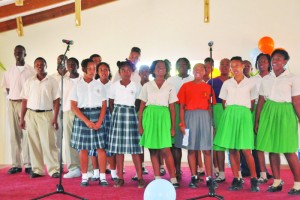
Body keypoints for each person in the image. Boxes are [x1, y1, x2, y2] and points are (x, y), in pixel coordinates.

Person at [255, 49, 300, 195]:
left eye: (279, 58)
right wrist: (257, 121)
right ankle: (276, 181)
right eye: (273, 58)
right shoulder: (266, 78)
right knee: (272, 149)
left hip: (285, 113)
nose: (275, 61)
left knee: (288, 150)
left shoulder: (293, 78)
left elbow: (296, 101)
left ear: (286, 61)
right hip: (268, 112)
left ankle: (298, 183)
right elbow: (261, 101)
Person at [214, 56, 259, 192]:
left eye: (237, 65)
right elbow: (223, 102)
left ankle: (254, 179)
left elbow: (252, 104)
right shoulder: (227, 83)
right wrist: (231, 113)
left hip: (244, 115)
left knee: (245, 149)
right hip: (230, 115)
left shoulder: (251, 83)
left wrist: (243, 114)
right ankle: (237, 178)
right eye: (232, 66)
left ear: (243, 66)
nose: (235, 68)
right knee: (233, 149)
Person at [139, 60, 179, 188]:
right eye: (157, 67)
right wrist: (140, 125)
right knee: (153, 149)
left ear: (166, 70)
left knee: (166, 149)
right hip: (150, 116)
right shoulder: (147, 86)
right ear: (153, 70)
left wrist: (173, 127)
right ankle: (157, 177)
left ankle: (173, 178)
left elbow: (172, 108)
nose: (160, 68)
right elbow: (141, 107)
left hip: (163, 116)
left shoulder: (170, 86)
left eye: (162, 67)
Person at [20, 57, 60, 178]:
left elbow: (57, 102)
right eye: (37, 64)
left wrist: (55, 118)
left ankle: (54, 169)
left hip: (46, 114)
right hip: (31, 115)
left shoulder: (52, 81)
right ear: (34, 66)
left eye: (42, 64)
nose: (39, 66)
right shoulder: (29, 81)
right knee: (34, 143)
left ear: (46, 65)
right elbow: (24, 101)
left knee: (49, 143)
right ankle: (37, 170)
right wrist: (22, 118)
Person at [107, 60, 145, 188]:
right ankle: (120, 178)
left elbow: (139, 102)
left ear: (132, 72)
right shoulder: (114, 85)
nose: (126, 72)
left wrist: (133, 113)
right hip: (118, 116)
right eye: (123, 70)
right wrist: (115, 116)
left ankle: (140, 177)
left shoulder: (136, 86)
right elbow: (111, 103)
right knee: (119, 150)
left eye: (128, 70)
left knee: (135, 149)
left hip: (131, 116)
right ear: (119, 72)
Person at [178, 63, 216, 188]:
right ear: (192, 72)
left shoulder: (209, 88)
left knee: (206, 149)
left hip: (205, 118)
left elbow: (211, 108)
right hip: (190, 118)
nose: (198, 71)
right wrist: (182, 123)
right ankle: (194, 177)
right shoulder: (185, 86)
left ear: (205, 72)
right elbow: (182, 107)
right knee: (191, 149)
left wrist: (212, 125)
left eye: (201, 69)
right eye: (195, 69)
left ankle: (209, 178)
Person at [70, 58, 108, 187]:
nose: (93, 71)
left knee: (101, 148)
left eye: (94, 68)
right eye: (90, 68)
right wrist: (86, 121)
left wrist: (99, 121)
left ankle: (103, 177)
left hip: (98, 115)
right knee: (83, 149)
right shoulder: (76, 86)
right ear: (83, 69)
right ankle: (84, 177)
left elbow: (104, 105)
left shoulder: (99, 85)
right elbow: (73, 106)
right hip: (82, 117)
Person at [1, 45, 34, 175]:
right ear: (14, 54)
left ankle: (29, 164)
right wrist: (11, 99)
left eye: (20, 52)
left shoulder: (31, 71)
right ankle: (16, 165)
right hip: (12, 104)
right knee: (14, 135)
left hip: (25, 104)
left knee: (27, 135)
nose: (18, 54)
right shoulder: (9, 71)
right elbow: (7, 88)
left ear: (25, 54)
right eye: (16, 52)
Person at [167, 58, 194, 181]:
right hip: (176, 111)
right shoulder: (170, 80)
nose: (182, 66)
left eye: (184, 64)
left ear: (188, 66)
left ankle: (195, 172)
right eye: (179, 64)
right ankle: (177, 170)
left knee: (191, 144)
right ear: (176, 67)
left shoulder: (193, 79)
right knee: (176, 144)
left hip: (190, 112)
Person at [93, 62, 119, 182]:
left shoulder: (114, 85)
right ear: (97, 72)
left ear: (109, 71)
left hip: (109, 115)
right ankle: (96, 172)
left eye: (106, 70)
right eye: (101, 70)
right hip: (96, 114)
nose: (104, 72)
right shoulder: (93, 85)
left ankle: (113, 172)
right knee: (95, 145)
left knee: (110, 144)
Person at [207, 58, 230, 183]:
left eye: (228, 64)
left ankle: (238, 174)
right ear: (218, 67)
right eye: (222, 64)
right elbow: (207, 102)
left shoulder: (235, 81)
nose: (225, 66)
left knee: (233, 144)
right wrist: (211, 120)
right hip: (216, 112)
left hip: (231, 112)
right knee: (218, 144)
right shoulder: (211, 81)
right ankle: (221, 173)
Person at [62, 57, 81, 178]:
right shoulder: (63, 81)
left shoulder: (83, 80)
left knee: (84, 141)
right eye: (69, 64)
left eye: (74, 64)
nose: (71, 66)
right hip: (68, 112)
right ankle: (74, 168)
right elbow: (59, 99)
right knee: (69, 140)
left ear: (78, 66)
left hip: (81, 112)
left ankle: (89, 168)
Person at [132, 65, 151, 181]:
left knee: (154, 143)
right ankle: (141, 167)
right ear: (139, 73)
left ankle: (159, 167)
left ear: (149, 72)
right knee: (140, 143)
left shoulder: (153, 85)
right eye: (142, 71)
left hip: (151, 116)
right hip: (138, 115)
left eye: (146, 71)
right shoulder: (135, 86)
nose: (144, 73)